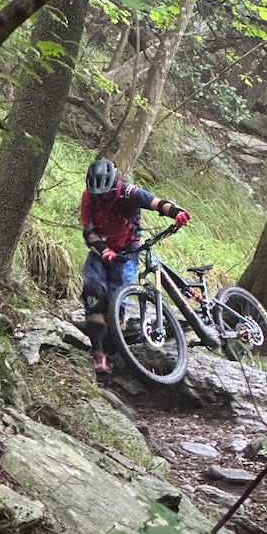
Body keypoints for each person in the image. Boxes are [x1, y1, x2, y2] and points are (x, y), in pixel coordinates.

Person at [80, 157, 192, 374]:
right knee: (93, 294)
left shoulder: (129, 193)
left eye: (105, 194)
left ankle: (114, 352)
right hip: (100, 251)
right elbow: (89, 230)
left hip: (128, 250)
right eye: (97, 195)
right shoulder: (89, 197)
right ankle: (98, 352)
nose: (101, 198)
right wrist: (104, 250)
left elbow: (157, 203)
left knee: (115, 301)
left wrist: (177, 213)